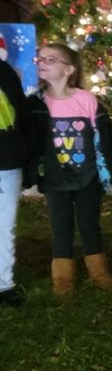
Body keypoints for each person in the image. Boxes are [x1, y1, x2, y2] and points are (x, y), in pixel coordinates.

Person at [28, 43, 112, 293]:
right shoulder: (36, 104)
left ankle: (99, 273)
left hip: (87, 177)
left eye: (51, 60)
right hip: (55, 179)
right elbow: (29, 140)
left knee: (89, 223)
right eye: (40, 60)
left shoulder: (87, 100)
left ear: (69, 69)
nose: (43, 63)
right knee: (61, 227)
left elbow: (105, 136)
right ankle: (63, 282)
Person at [0, 53, 34, 306]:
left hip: (6, 162)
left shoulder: (5, 73)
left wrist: (25, 159)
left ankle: (4, 284)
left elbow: (21, 115)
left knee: (4, 225)